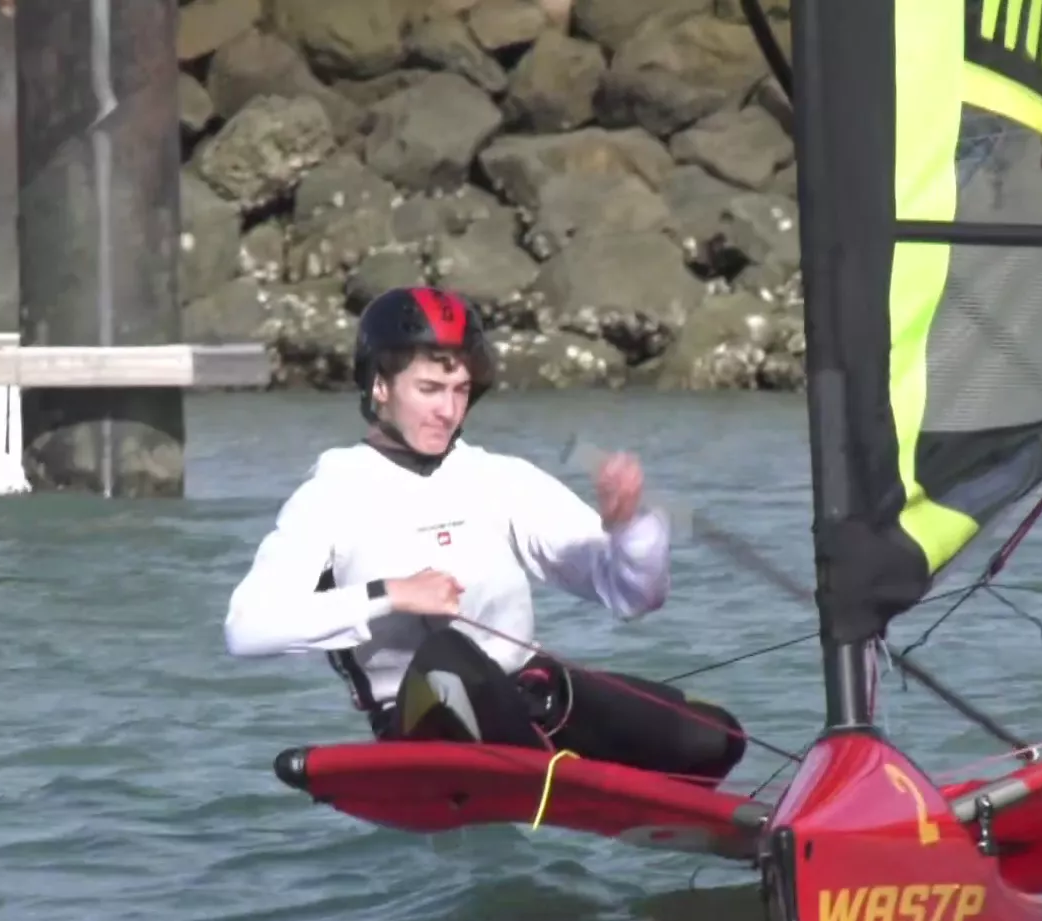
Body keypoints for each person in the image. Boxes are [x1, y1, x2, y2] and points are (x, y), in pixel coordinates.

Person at [223, 285, 747, 784]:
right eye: (429, 389)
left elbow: (635, 598)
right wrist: (392, 595)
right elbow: (246, 630)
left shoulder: (499, 478)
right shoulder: (329, 495)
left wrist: (628, 527)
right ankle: (543, 776)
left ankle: (566, 776)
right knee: (450, 657)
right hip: (422, 719)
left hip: (529, 700)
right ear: (379, 385)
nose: (448, 411)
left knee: (718, 738)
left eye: (460, 390)